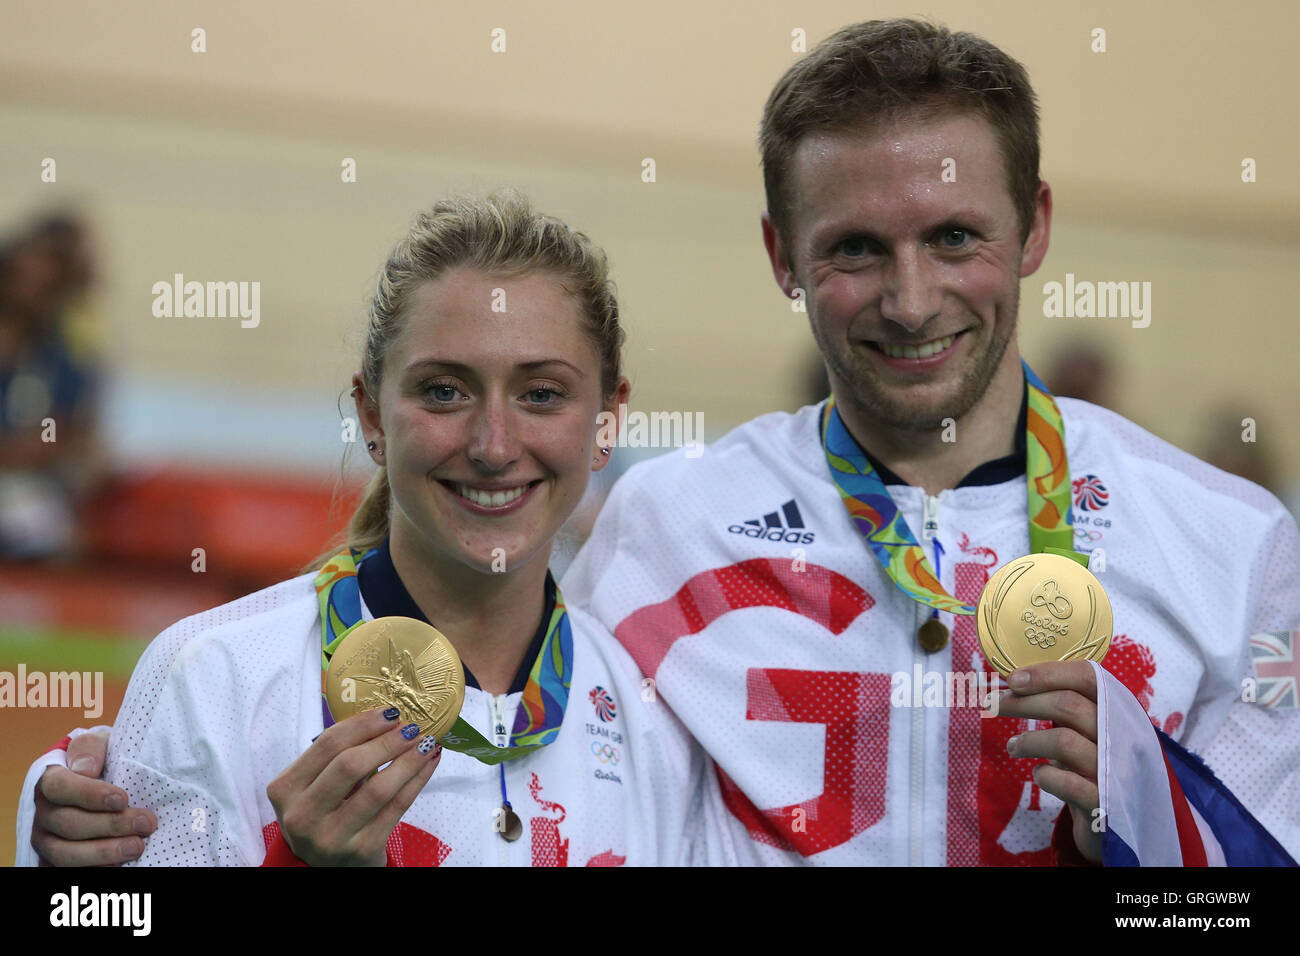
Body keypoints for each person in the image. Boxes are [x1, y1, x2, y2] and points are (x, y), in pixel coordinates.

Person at [21, 19, 1299, 868]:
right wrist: (60, 848)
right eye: (855, 245)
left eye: (954, 236)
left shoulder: (1234, 549)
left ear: (1033, 229)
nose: (911, 298)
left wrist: (1149, 812)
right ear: (780, 257)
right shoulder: (665, 526)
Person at [17, 191, 704, 866]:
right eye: (444, 390)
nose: (495, 446)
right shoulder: (216, 679)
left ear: (607, 423)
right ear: (372, 416)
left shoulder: (661, 714)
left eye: (542, 394)